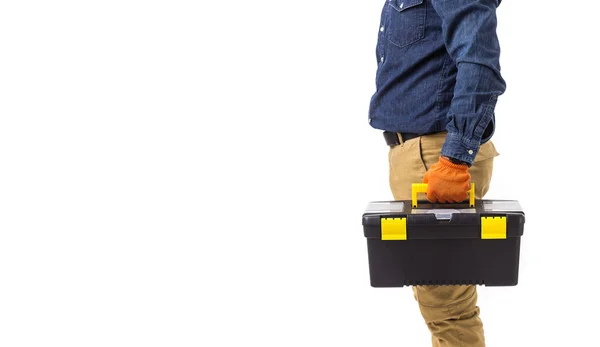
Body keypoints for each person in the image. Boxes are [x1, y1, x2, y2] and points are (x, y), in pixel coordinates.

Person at [368, 0, 506, 346]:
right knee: (439, 302)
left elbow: (479, 60)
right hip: (417, 153)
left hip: (435, 156)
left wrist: (455, 160)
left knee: (448, 311)